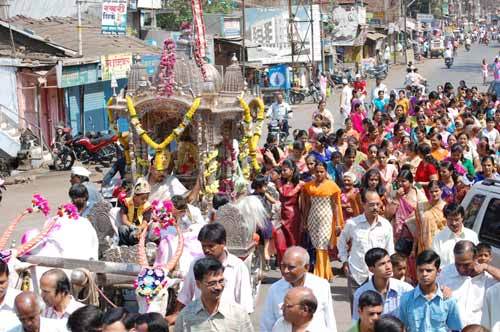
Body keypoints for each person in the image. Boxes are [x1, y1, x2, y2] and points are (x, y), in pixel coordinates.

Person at [168, 223, 253, 324]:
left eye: (211, 246)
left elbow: (245, 304)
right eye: (203, 246)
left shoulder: (238, 267)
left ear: (223, 243)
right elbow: (185, 294)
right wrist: (176, 315)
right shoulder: (196, 263)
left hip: (228, 322)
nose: (206, 250)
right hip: (199, 322)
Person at [338, 190, 395, 307]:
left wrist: (390, 271)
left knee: (378, 311)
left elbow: (390, 250)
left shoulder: (386, 225)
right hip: (357, 274)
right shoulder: (353, 224)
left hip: (379, 276)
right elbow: (341, 241)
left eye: (377, 204)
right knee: (357, 312)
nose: (375, 208)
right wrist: (344, 260)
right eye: (371, 204)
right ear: (363, 204)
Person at [260, 246, 336, 332]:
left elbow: (330, 320)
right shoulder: (275, 289)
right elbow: (267, 324)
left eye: (291, 267)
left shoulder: (321, 286)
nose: (285, 271)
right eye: (283, 266)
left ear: (306, 267)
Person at [174, 257, 253, 332]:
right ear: (198, 284)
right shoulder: (185, 316)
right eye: (212, 283)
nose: (218, 287)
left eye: (221, 281)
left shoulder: (238, 314)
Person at [437, 241, 500, 326]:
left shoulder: (487, 277)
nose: (461, 269)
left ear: (476, 258)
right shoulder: (446, 273)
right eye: (458, 264)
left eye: (466, 265)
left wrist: (487, 267)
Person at [398, 250, 463, 332]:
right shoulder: (406, 299)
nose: (424, 274)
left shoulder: (448, 300)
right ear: (416, 271)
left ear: (438, 271)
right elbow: (402, 328)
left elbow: (456, 329)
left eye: (429, 270)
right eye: (421, 270)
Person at [302, 161, 344, 281]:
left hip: (326, 217)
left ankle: (319, 274)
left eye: (322, 171)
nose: (319, 174)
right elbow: (307, 205)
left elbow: (336, 205)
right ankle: (326, 272)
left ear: (326, 172)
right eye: (317, 172)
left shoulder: (332, 186)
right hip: (313, 218)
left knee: (322, 244)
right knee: (317, 245)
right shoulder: (308, 186)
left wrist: (337, 223)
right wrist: (304, 221)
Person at [352, 248, 413, 320]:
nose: (388, 267)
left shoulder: (406, 290)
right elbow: (356, 323)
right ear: (371, 269)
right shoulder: (360, 294)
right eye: (382, 264)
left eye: (389, 262)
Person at [118, 177, 152, 246]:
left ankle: (133, 248)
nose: (145, 200)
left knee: (133, 235)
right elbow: (124, 219)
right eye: (142, 198)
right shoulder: (126, 202)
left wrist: (139, 228)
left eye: (147, 198)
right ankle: (123, 246)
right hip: (128, 225)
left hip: (140, 228)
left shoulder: (147, 206)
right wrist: (131, 226)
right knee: (122, 229)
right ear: (135, 196)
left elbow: (145, 222)